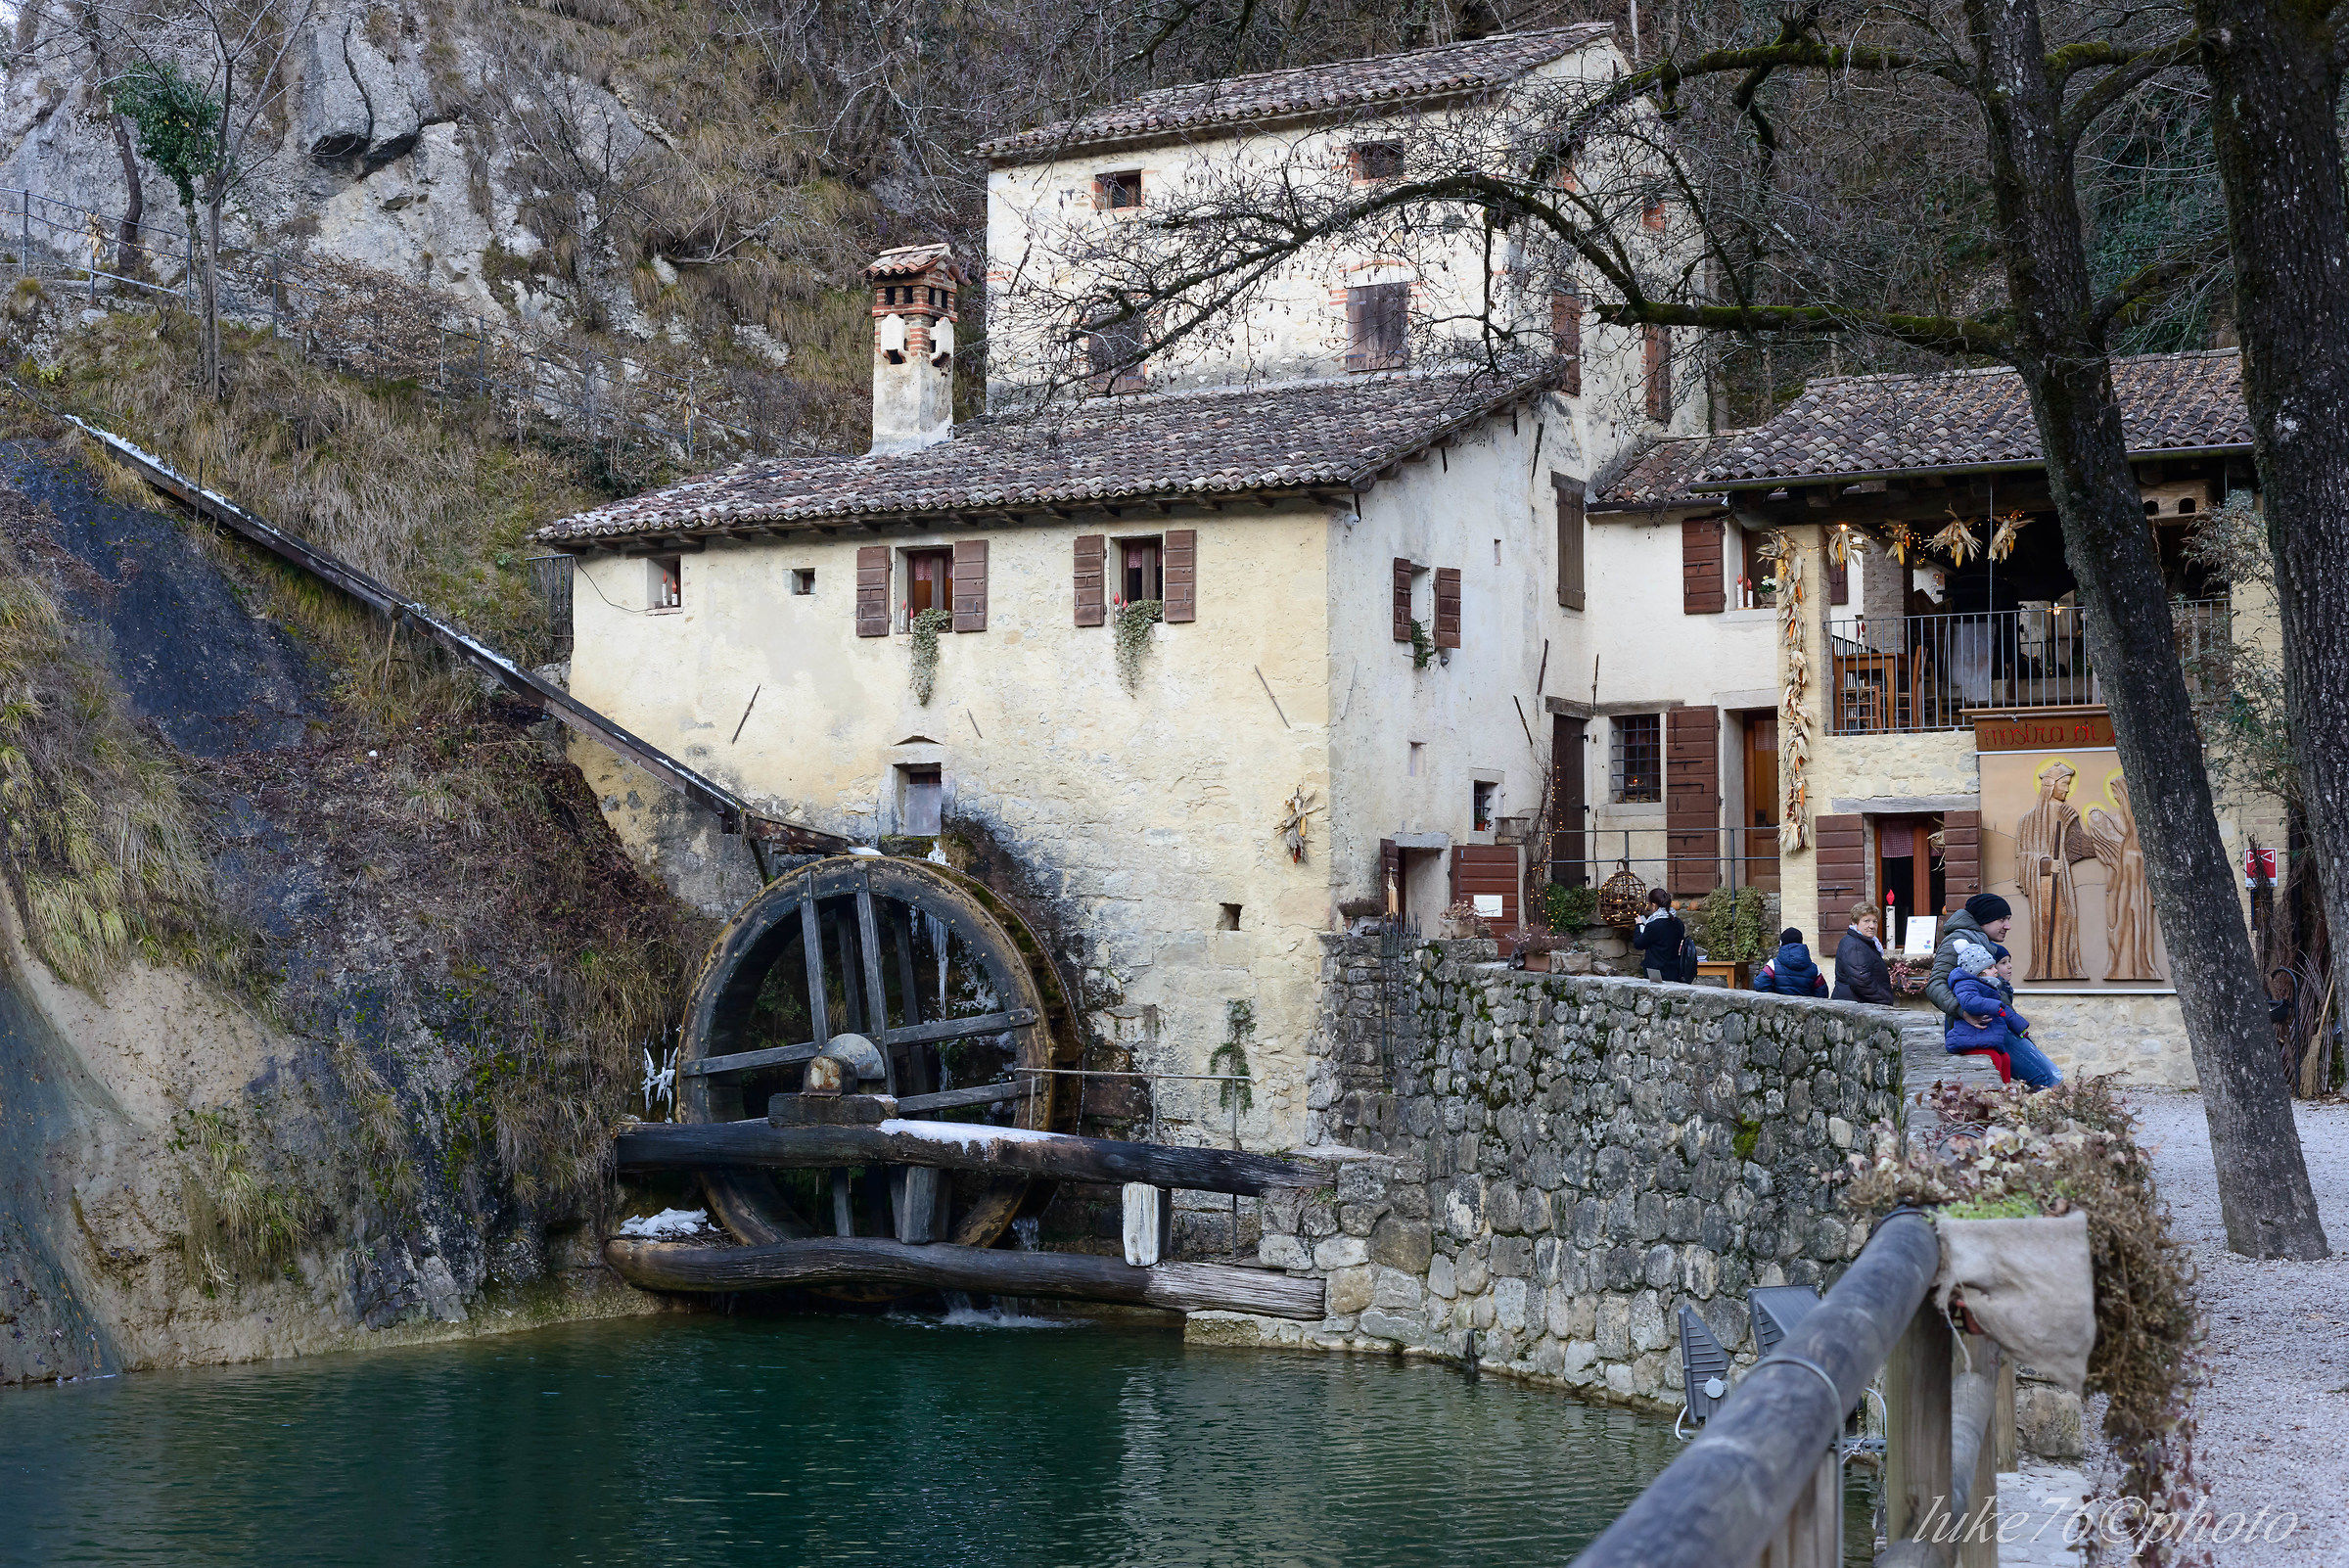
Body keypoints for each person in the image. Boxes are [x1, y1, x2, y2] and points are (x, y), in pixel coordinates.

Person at [1944, 944, 2060, 1089]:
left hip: (1986, 1037)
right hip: (1971, 1039)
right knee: (1994, 1059)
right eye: (1991, 967)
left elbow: (2006, 1012)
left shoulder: (1990, 987)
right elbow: (1969, 1002)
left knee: (2005, 1058)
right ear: (1979, 971)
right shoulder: (1965, 984)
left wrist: (2020, 1027)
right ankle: (1990, 1094)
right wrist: (1993, 1006)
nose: (1995, 970)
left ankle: (2002, 1095)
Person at [1925, 893, 2013, 1020]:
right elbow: (1935, 984)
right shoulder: (1956, 941)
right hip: (1971, 1032)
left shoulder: (1983, 942)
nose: (2008, 926)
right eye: (2002, 919)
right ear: (1984, 918)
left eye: (2008, 919)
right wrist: (1964, 1012)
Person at [1831, 901, 1899, 1003]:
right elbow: (1861, 981)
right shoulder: (1854, 944)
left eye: (1875, 921)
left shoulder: (1865, 942)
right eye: (1866, 921)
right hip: (1854, 1006)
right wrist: (1885, 1000)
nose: (1872, 926)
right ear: (1855, 923)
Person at [1632, 888, 1695, 982]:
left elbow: (1639, 944)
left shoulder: (1653, 925)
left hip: (1656, 972)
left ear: (1654, 905)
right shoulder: (1678, 922)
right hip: (1675, 971)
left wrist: (1639, 925)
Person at [1751, 927, 1828, 996]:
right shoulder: (1814, 968)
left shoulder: (1773, 965)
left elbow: (1760, 983)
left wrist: (1774, 998)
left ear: (1782, 943)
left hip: (1780, 1009)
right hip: (1805, 1010)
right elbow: (1822, 993)